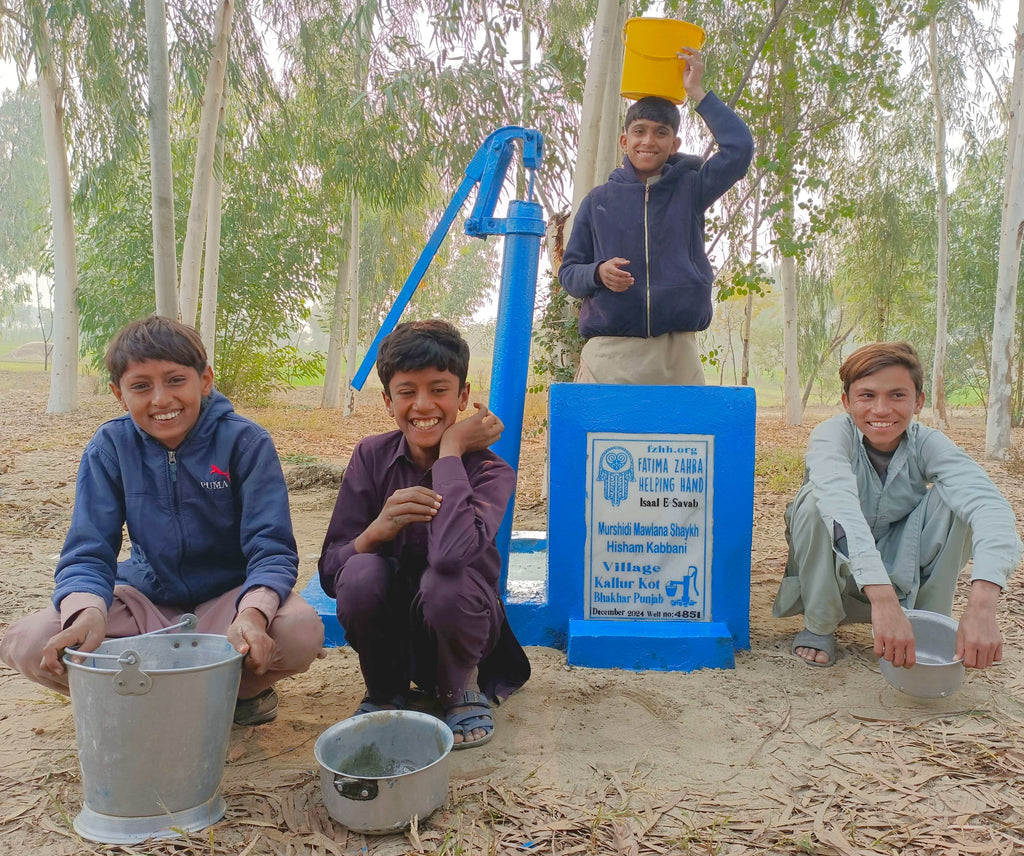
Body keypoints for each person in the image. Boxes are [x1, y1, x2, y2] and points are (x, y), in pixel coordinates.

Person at [0, 316, 324, 725]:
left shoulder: (246, 442)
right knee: (31, 643)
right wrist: (89, 613)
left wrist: (252, 615)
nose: (160, 400)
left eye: (175, 380)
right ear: (120, 394)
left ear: (204, 380)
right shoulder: (110, 447)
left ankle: (233, 695)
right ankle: (165, 701)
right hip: (145, 601)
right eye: (141, 386)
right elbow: (87, 551)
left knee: (300, 631)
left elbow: (271, 548)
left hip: (227, 605)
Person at [318, 320, 530, 749]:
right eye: (407, 391)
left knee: (444, 582)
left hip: (464, 628)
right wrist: (375, 531)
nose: (423, 405)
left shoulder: (491, 471)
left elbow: (452, 557)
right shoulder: (371, 457)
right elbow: (330, 571)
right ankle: (384, 692)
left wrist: (451, 452)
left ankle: (459, 689)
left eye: (439, 389)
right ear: (387, 400)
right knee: (360, 573)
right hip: (390, 636)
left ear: (463, 396)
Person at [773, 342, 1021, 669]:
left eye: (897, 395)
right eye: (867, 395)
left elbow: (990, 505)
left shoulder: (929, 444)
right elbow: (840, 506)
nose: (881, 409)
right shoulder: (832, 435)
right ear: (847, 401)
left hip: (900, 562)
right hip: (835, 566)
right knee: (815, 502)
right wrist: (883, 599)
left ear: (918, 402)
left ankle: (926, 625)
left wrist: (982, 606)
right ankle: (820, 625)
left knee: (957, 503)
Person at [558, 47, 753, 386]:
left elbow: (740, 149)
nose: (648, 141)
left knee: (681, 440)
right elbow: (569, 274)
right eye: (640, 131)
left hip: (676, 354)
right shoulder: (597, 201)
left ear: (674, 144)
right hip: (609, 355)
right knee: (601, 439)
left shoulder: (692, 188)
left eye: (661, 132)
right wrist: (598, 273)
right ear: (624, 139)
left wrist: (697, 92)